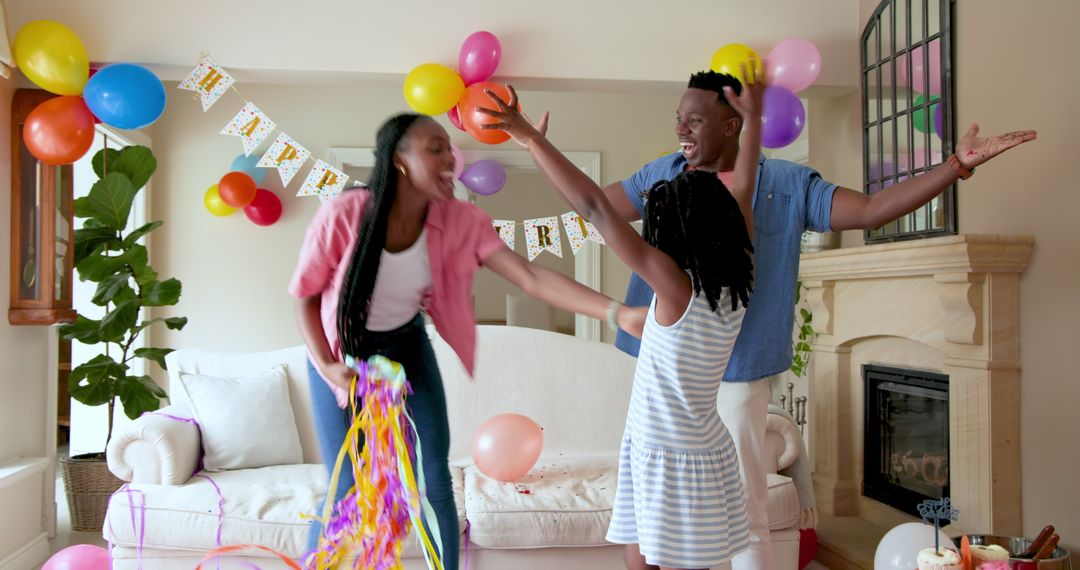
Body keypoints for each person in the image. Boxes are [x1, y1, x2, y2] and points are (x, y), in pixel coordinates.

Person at [600, 71, 1037, 569]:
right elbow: (592, 211)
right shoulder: (663, 172)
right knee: (652, 515)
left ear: (730, 125)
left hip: (737, 375)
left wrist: (955, 167)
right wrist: (508, 236)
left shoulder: (783, 185)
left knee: (744, 513)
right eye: (678, 119)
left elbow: (872, 210)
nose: (681, 130)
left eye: (694, 120)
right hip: (669, 375)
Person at [288, 113, 645, 568]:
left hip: (407, 346)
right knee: (347, 489)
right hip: (342, 354)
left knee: (434, 479)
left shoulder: (460, 221)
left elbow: (530, 276)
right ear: (400, 160)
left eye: (449, 149)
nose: (449, 158)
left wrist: (617, 313)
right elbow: (304, 297)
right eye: (434, 148)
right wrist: (326, 364)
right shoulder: (345, 214)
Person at [479, 69, 765, 570]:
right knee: (648, 563)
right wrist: (753, 119)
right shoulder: (741, 265)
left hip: (666, 452)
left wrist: (528, 139)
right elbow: (741, 186)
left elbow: (594, 208)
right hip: (696, 445)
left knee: (645, 566)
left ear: (676, 237)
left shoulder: (675, 288)